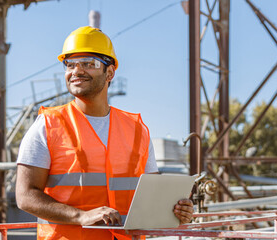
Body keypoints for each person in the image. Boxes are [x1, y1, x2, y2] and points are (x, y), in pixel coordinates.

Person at [15, 26, 194, 240]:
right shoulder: (48, 125)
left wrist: (175, 211)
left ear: (109, 72)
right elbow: (25, 196)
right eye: (70, 64)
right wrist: (80, 216)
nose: (76, 71)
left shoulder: (137, 129)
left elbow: (151, 199)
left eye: (89, 63)